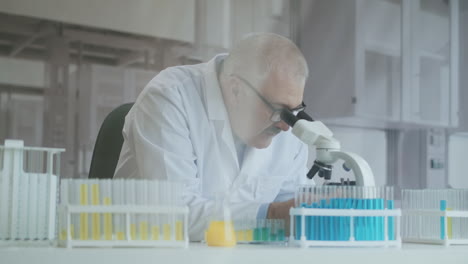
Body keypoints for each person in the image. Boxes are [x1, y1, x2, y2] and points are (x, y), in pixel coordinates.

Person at [114, 33, 310, 241]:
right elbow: (175, 213)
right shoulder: (169, 98)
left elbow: (291, 207)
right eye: (280, 110)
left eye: (294, 111)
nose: (285, 126)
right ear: (236, 90)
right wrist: (271, 216)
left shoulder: (287, 124)